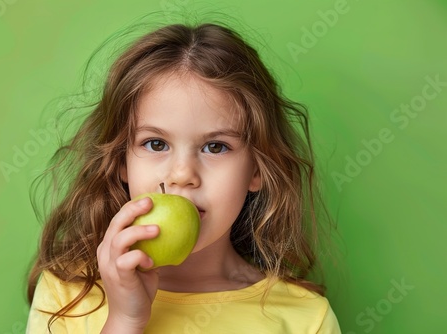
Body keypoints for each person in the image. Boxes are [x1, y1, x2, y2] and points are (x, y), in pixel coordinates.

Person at [25, 21, 341, 333]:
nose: (182, 175)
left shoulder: (304, 319)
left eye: (216, 147)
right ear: (122, 161)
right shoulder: (66, 296)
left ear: (256, 170)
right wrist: (125, 321)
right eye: (156, 143)